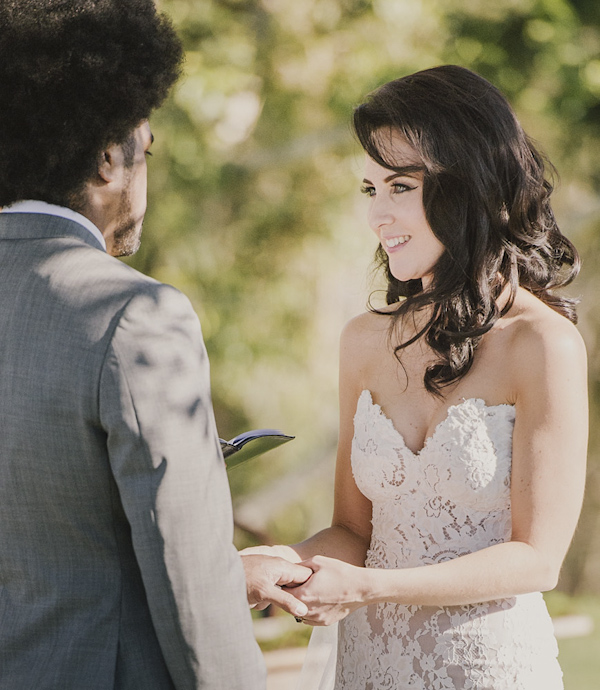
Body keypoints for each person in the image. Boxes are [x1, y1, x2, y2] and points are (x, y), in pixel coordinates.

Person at [243, 65, 588, 689]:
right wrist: (275, 561)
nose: (377, 215)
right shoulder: (364, 342)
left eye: (400, 186)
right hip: (370, 669)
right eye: (369, 188)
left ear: (471, 185)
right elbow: (353, 531)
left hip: (487, 669)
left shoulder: (543, 345)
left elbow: (537, 559)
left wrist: (371, 587)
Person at [0, 1, 310, 688]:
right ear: (109, 159)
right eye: (148, 152)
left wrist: (232, 573)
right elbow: (187, 578)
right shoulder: (134, 315)